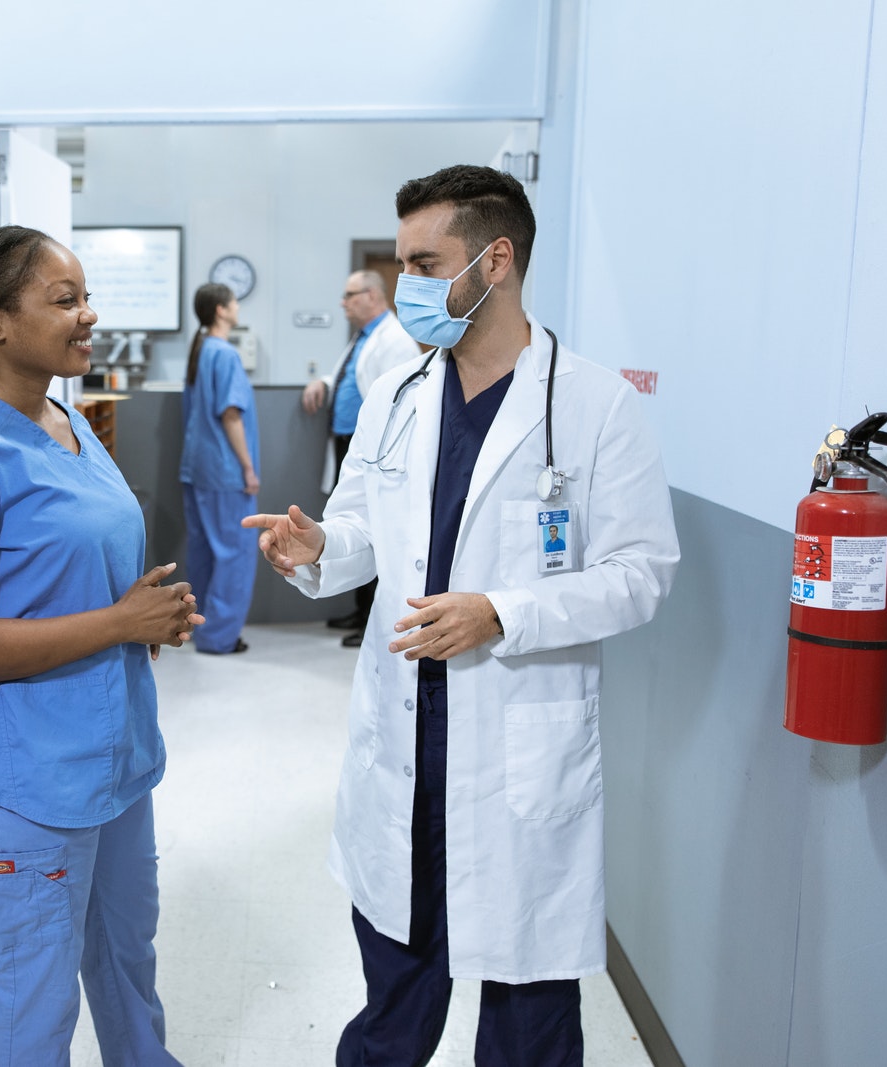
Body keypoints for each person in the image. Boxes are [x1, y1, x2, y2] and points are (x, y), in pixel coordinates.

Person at [243, 165, 680, 1066]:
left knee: (527, 1013)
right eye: (401, 262)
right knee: (394, 997)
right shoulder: (402, 394)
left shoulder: (597, 405)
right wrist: (319, 545)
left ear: (497, 259)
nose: (408, 284)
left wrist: (502, 611)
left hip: (519, 742)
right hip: (406, 737)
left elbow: (643, 573)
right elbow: (366, 526)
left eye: (424, 260)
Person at [0, 225, 199, 1066]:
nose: (88, 316)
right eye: (65, 300)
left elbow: (77, 569)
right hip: (21, 779)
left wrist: (151, 615)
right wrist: (116, 624)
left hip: (112, 760)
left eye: (84, 296)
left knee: (128, 968)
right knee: (32, 1001)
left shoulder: (66, 420)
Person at [300, 270, 420, 647]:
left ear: (371, 295)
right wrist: (322, 382)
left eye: (349, 295)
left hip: (376, 452)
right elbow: (349, 374)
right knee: (350, 520)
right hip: (350, 444)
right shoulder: (363, 337)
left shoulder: (396, 340)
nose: (343, 302)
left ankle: (371, 618)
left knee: (372, 528)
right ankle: (357, 609)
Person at [178, 282, 259, 655]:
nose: (237, 307)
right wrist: (247, 468)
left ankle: (204, 628)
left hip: (197, 469)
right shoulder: (224, 354)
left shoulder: (200, 352)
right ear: (222, 310)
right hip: (225, 471)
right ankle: (220, 637)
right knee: (234, 554)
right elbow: (230, 415)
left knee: (206, 552)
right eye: (233, 303)